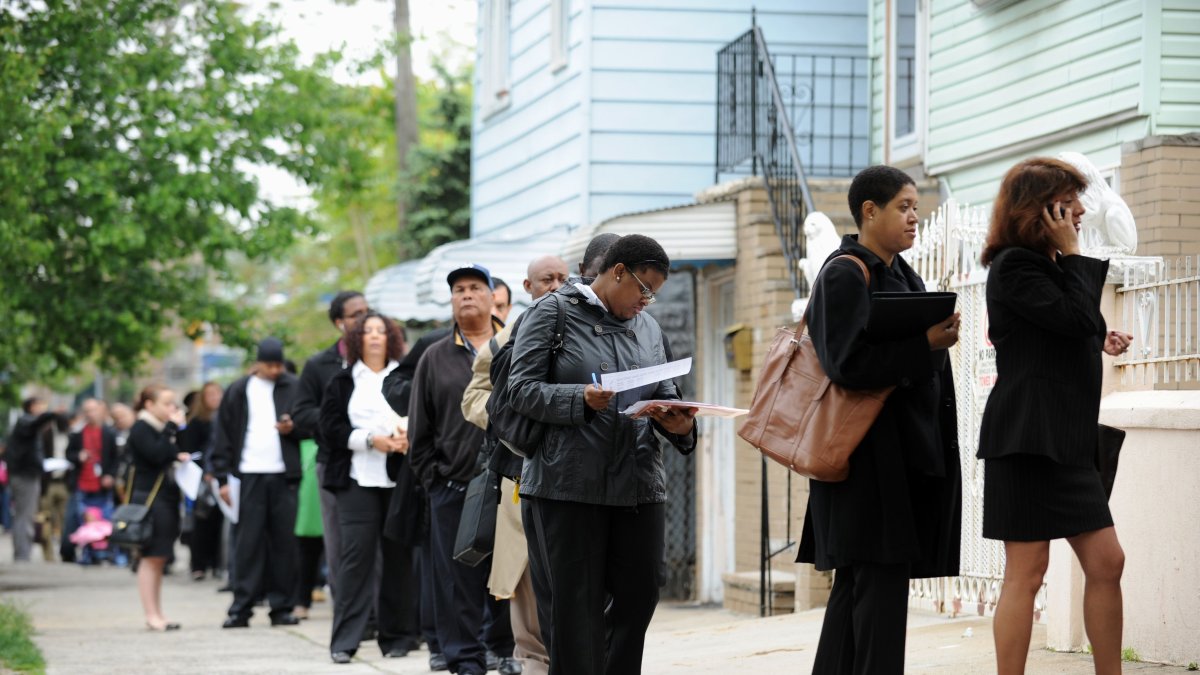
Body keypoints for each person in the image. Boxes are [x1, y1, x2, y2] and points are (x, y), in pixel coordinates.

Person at [795, 165, 963, 674]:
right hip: (865, 465)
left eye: (917, 208)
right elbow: (846, 364)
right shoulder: (845, 272)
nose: (915, 218)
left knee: (859, 595)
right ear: (870, 211)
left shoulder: (901, 272)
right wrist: (925, 344)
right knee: (877, 601)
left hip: (899, 459)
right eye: (905, 207)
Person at [507, 235, 697, 675]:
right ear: (617, 272)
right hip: (568, 486)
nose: (647, 301)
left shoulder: (648, 327)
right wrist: (579, 399)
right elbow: (518, 389)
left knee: (641, 595)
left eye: (655, 294)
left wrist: (680, 422)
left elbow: (665, 388)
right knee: (576, 613)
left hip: (638, 485)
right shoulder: (551, 312)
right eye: (644, 289)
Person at [977, 157, 1132, 675]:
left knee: (1108, 561)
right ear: (1040, 209)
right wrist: (1072, 254)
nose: (1081, 210)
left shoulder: (1043, 267)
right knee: (1027, 570)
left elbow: (1067, 325)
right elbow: (1071, 315)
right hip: (1027, 437)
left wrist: (1098, 338)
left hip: (1065, 437)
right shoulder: (1016, 265)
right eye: (1070, 200)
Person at [461, 254, 570, 675]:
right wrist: (515, 417)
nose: (557, 285)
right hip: (522, 473)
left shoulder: (590, 330)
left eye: (564, 277)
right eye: (547, 279)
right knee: (526, 575)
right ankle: (532, 661)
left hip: (579, 477)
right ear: (529, 287)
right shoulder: (505, 339)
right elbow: (473, 397)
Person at [409, 264, 514, 675]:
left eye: (475, 288)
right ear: (451, 300)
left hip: (511, 482)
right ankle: (465, 661)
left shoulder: (516, 344)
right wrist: (435, 481)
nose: (466, 295)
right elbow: (420, 428)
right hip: (453, 486)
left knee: (509, 574)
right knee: (456, 581)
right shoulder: (434, 356)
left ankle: (504, 651)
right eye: (458, 289)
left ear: (493, 297)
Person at [320, 311, 422, 664]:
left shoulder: (407, 375)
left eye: (382, 331)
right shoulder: (343, 380)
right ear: (357, 339)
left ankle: (398, 637)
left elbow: (426, 415)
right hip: (356, 478)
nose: (376, 336)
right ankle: (345, 640)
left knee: (398, 557)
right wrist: (369, 440)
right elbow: (329, 429)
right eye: (368, 331)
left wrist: (408, 437)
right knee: (355, 558)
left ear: (392, 338)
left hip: (399, 478)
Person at [211, 338, 303, 629]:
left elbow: (311, 422)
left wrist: (293, 427)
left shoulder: (293, 385)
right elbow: (223, 434)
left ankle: (281, 606)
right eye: (270, 365)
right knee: (247, 542)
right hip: (248, 473)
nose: (276, 370)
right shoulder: (239, 390)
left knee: (284, 543)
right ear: (257, 364)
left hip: (283, 473)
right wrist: (223, 476)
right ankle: (242, 607)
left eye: (279, 365)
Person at [292, 290, 370, 599]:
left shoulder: (388, 359)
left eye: (368, 311)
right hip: (336, 462)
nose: (364, 319)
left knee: (377, 540)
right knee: (340, 541)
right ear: (340, 323)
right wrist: (340, 423)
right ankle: (348, 609)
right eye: (356, 314)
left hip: (380, 460)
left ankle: (380, 614)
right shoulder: (318, 365)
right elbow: (301, 413)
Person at [127, 384, 189, 631]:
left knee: (160, 557)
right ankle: (151, 614)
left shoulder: (162, 429)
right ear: (149, 405)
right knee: (151, 557)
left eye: (173, 404)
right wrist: (172, 429)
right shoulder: (142, 428)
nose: (171, 409)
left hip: (166, 497)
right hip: (150, 500)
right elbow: (156, 454)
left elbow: (170, 451)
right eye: (166, 404)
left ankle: (157, 613)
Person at [6, 397, 67, 562]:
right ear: (32, 407)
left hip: (26, 474)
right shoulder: (26, 422)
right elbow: (36, 422)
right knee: (25, 515)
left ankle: (22, 554)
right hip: (25, 475)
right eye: (41, 405)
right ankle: (22, 555)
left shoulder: (25, 424)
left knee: (24, 514)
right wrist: (51, 414)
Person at [63, 398, 118, 564]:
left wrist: (110, 475)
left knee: (104, 519)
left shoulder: (109, 433)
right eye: (87, 410)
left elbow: (116, 458)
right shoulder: (78, 433)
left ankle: (103, 553)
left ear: (101, 411)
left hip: (102, 485)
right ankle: (82, 552)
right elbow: (69, 454)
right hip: (82, 482)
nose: (90, 414)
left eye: (93, 409)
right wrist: (78, 456)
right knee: (81, 519)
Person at [179, 382, 224, 581]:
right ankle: (199, 563)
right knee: (201, 521)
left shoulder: (226, 418)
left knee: (218, 522)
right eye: (210, 395)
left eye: (217, 394)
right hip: (201, 478)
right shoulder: (197, 422)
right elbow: (190, 449)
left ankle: (216, 563)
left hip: (219, 474)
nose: (214, 398)